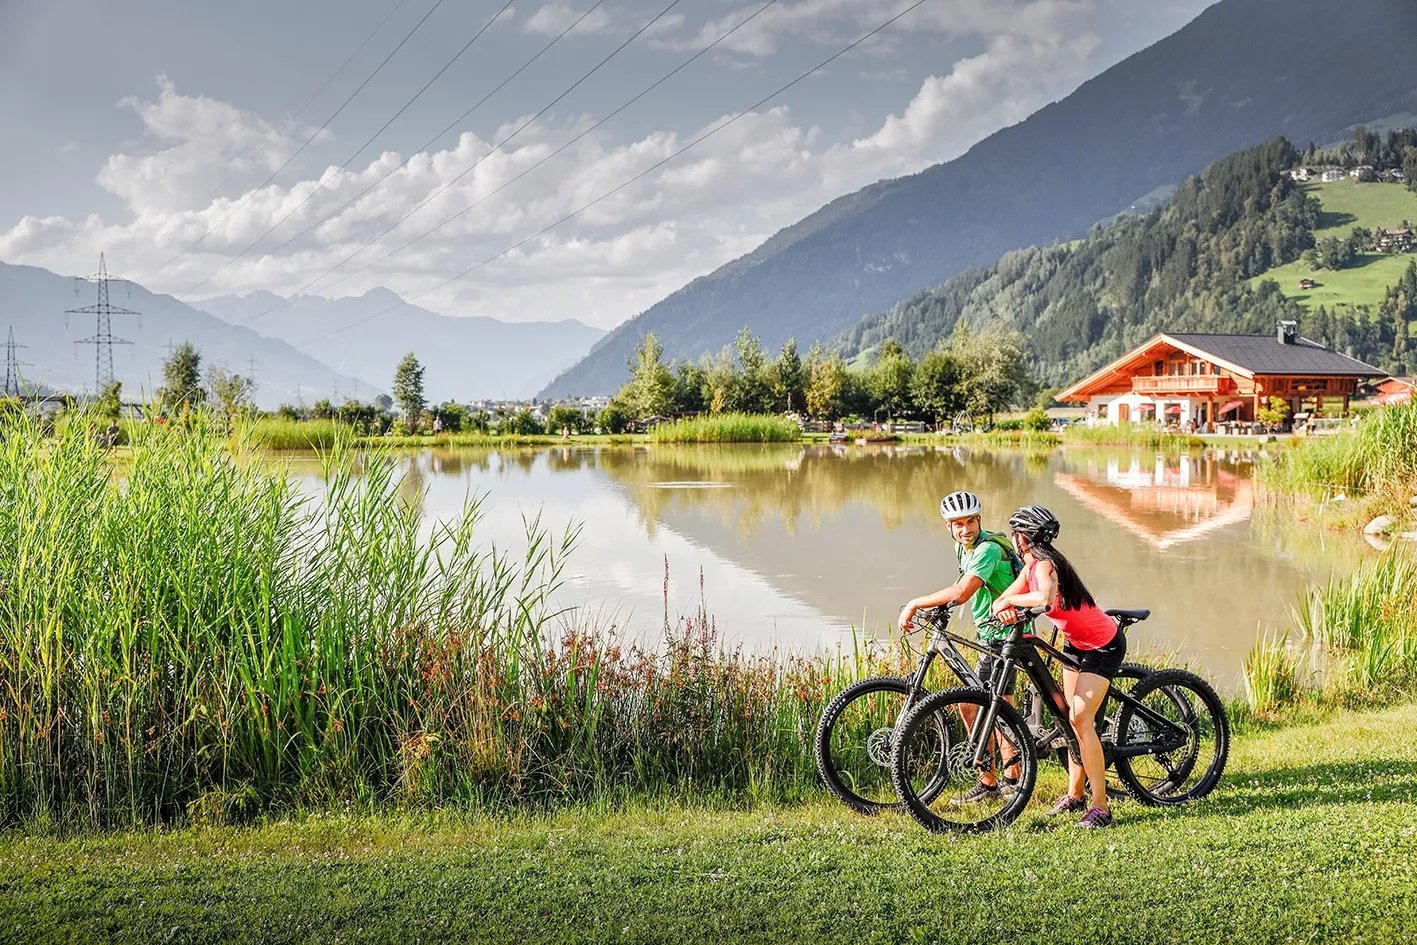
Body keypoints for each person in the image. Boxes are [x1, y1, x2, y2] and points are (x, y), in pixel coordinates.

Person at [991, 506, 1126, 829]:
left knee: (1080, 719)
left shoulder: (1045, 565)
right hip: (1076, 644)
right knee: (1069, 718)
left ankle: (1101, 808)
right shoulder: (1030, 565)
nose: (1014, 539)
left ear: (1022, 538)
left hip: (1103, 646)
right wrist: (1003, 606)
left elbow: (1045, 598)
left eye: (1015, 534)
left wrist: (1012, 602)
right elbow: (1003, 599)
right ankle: (1075, 795)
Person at [898, 490, 1023, 801]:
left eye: (970, 522)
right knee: (975, 704)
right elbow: (963, 585)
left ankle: (1008, 779)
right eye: (958, 524)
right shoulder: (963, 547)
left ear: (979, 520)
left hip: (1006, 633)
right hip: (988, 632)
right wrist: (940, 607)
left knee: (997, 707)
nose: (965, 529)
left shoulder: (988, 549)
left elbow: (963, 592)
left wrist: (915, 603)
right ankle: (995, 779)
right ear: (948, 527)